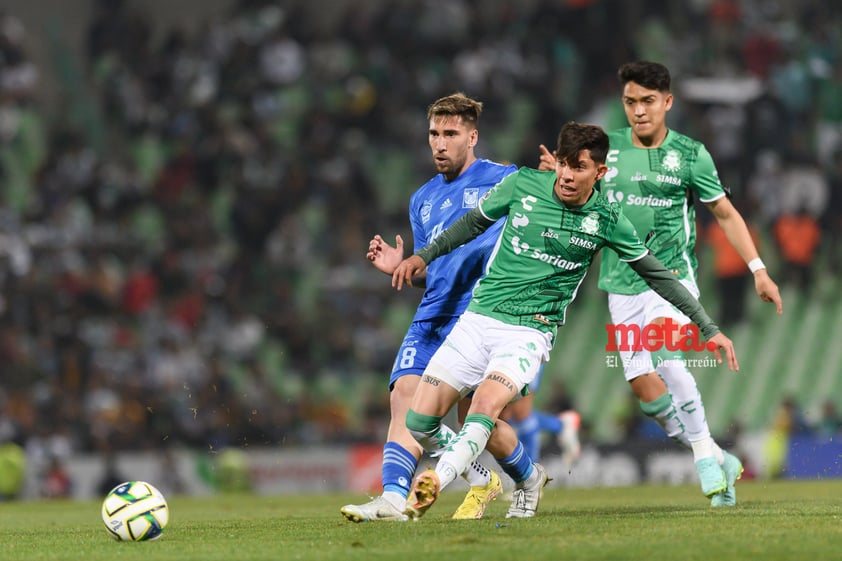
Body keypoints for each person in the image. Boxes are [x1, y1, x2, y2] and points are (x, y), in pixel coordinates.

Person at [392, 121, 738, 520]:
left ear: (600, 172)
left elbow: (658, 275)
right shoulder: (523, 185)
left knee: (482, 410)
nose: (568, 176)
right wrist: (424, 256)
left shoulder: (607, 219)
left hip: (528, 332)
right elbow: (471, 225)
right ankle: (527, 477)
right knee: (419, 422)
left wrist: (708, 328)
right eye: (563, 164)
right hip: (478, 319)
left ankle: (435, 480)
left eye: (579, 167)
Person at [541, 61, 782, 507]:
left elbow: (725, 214)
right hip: (619, 282)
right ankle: (714, 453)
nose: (639, 110)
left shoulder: (691, 155)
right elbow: (573, 200)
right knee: (645, 391)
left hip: (671, 277)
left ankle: (707, 463)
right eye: (631, 101)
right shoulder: (605, 153)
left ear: (667, 102)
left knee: (666, 356)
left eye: (648, 101)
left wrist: (759, 270)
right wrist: (560, 180)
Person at [341, 93, 561, 523]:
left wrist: (550, 186)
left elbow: (548, 220)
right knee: (405, 396)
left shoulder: (506, 178)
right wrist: (402, 267)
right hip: (433, 313)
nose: (440, 143)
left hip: (484, 314)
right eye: (434, 134)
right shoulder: (421, 199)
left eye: (451, 134)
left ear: (472, 136)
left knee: (477, 418)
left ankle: (525, 476)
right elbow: (434, 264)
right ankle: (392, 498)